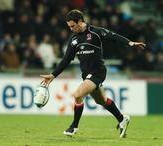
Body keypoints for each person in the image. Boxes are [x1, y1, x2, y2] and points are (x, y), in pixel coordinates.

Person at [40, 9, 146, 138]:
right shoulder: (74, 40)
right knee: (101, 101)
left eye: (73, 26)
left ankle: (73, 126)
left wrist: (130, 43)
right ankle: (122, 119)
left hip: (98, 72)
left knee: (78, 95)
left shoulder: (95, 32)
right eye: (69, 27)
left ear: (80, 22)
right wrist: (53, 75)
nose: (71, 29)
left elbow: (113, 36)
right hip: (87, 75)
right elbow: (66, 59)